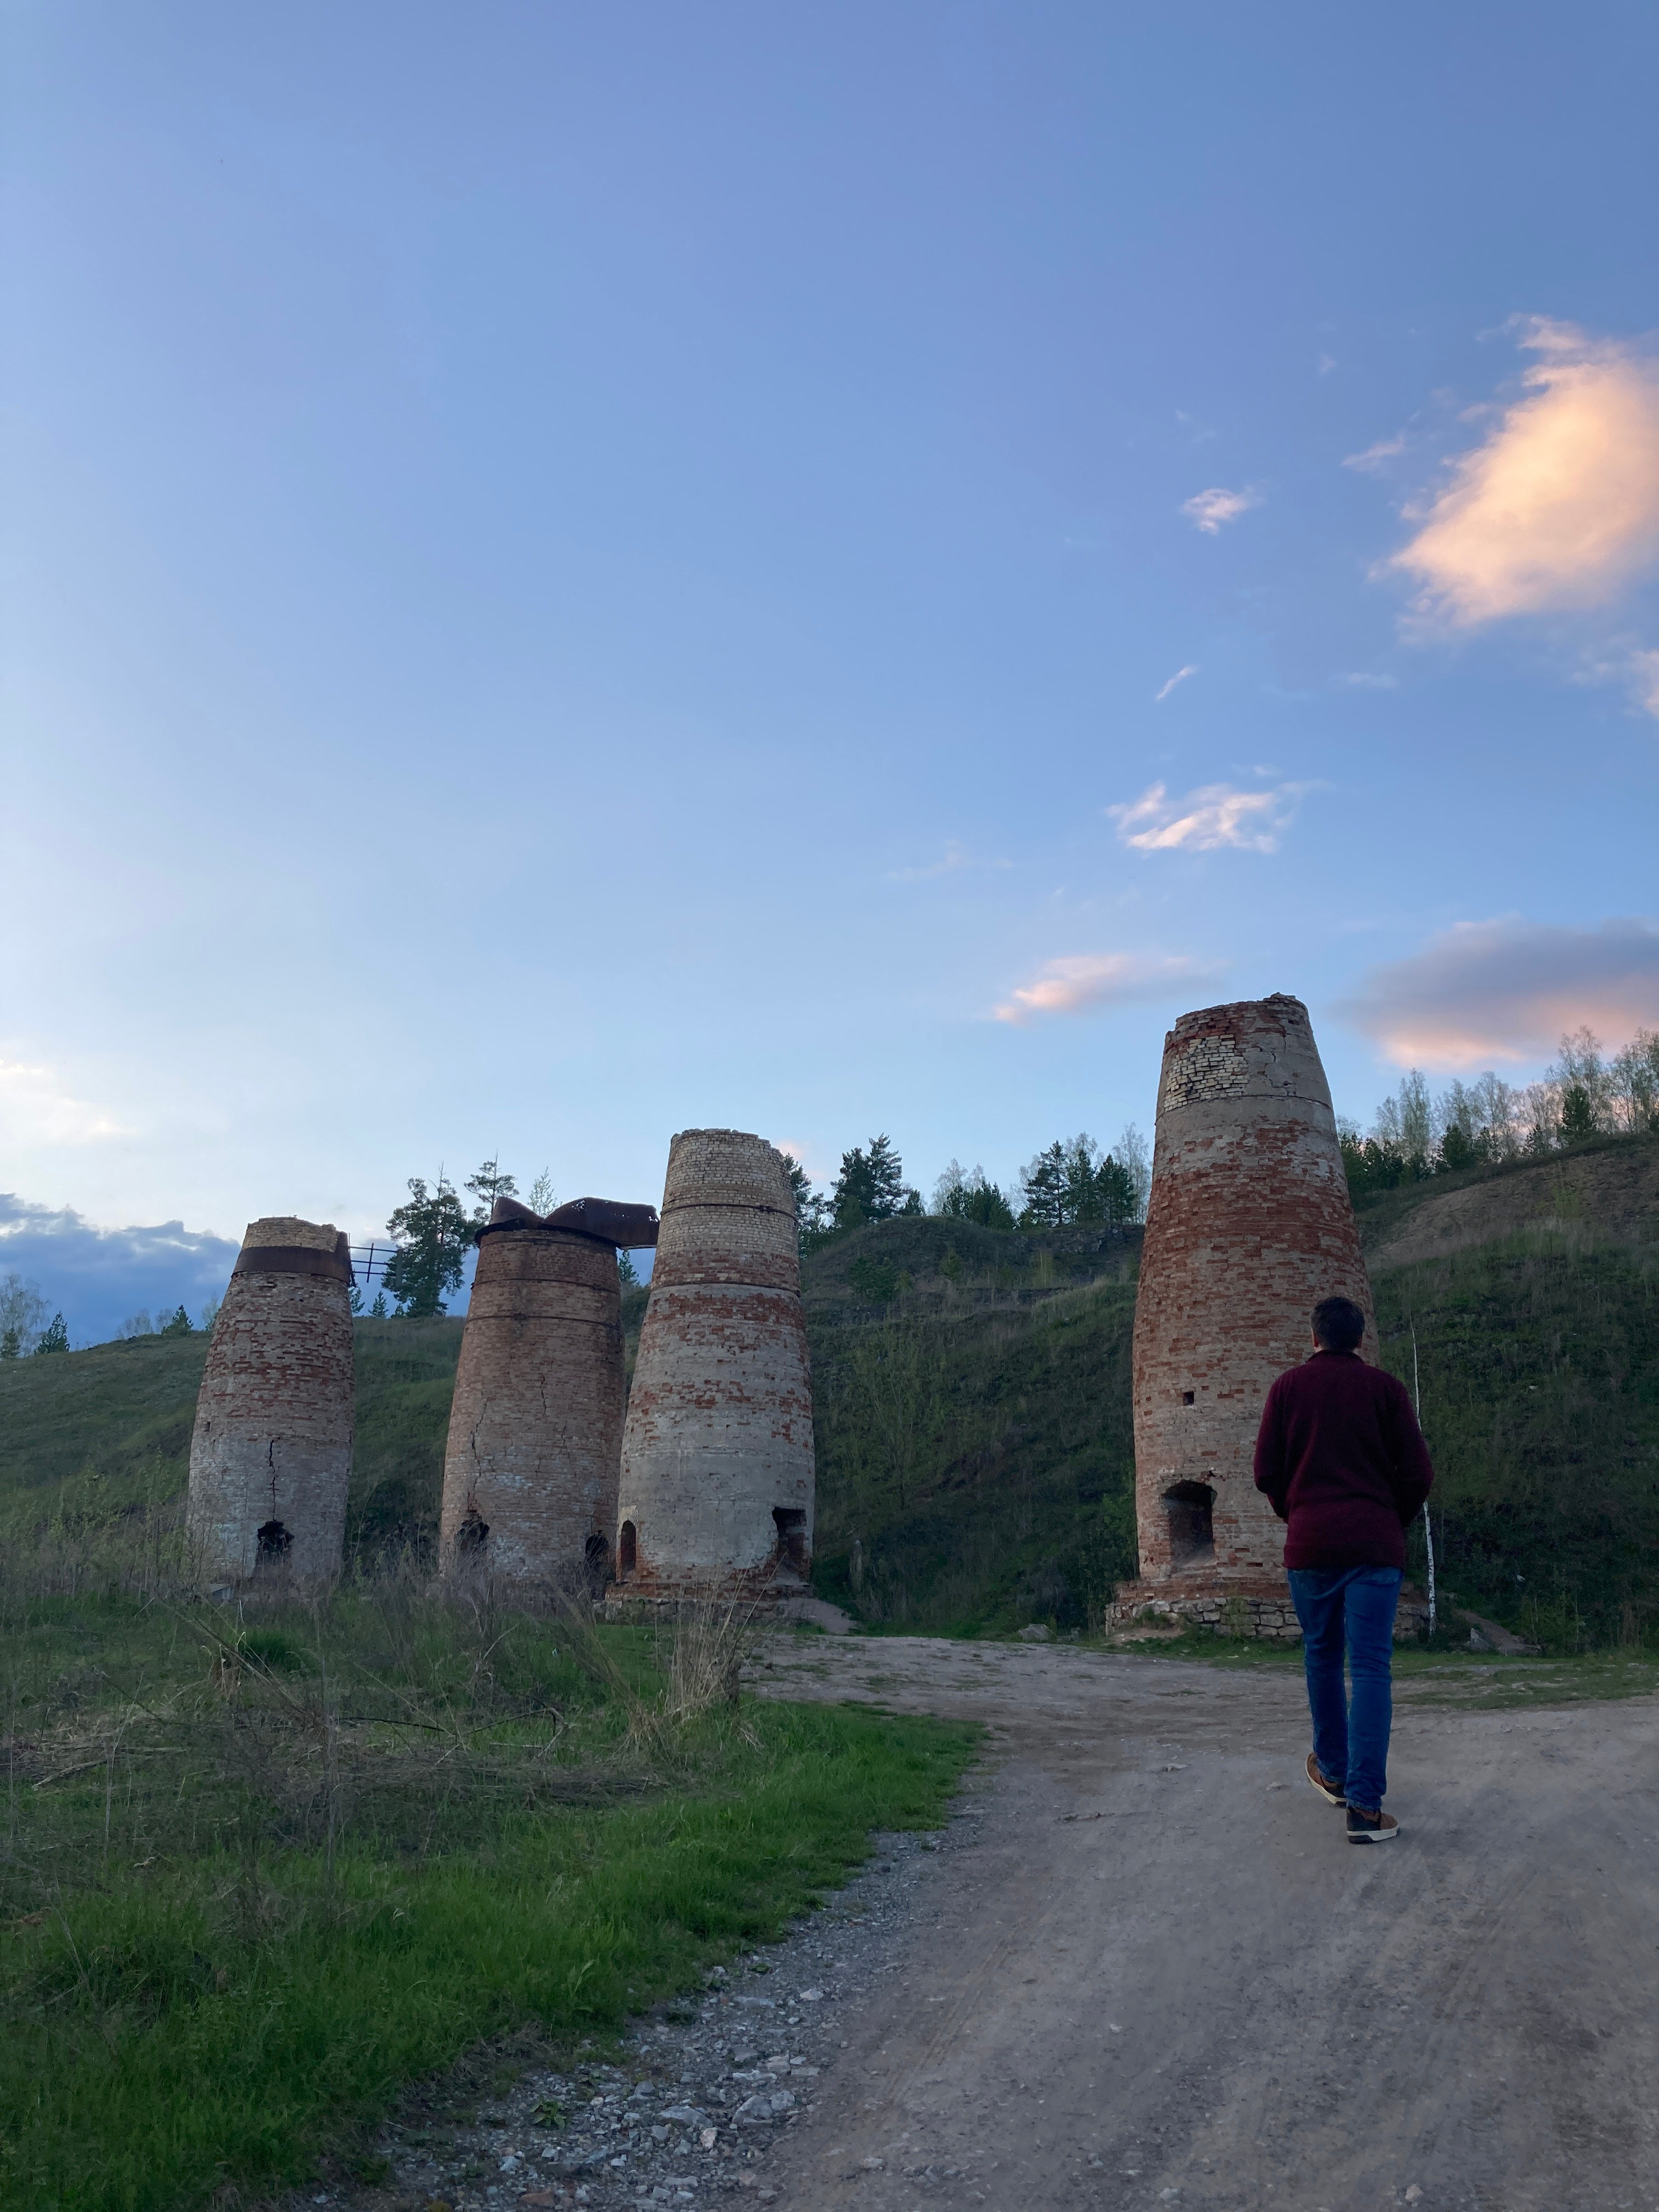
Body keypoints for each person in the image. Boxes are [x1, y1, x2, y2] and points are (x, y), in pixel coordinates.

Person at [1253, 1294, 1434, 1843]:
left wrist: (1299, 1512)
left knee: (1322, 1657)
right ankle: (1364, 1808)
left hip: (1310, 1547)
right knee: (1372, 1668)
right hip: (1374, 1547)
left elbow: (1266, 1472)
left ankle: (1332, 1769)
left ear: (1314, 1337)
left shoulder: (1286, 1388)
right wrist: (1386, 1518)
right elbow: (1419, 1473)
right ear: (1359, 1339)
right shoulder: (1386, 1390)